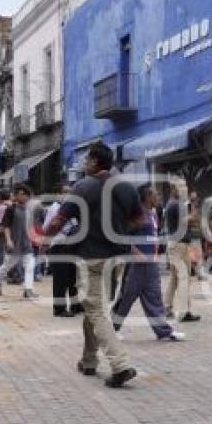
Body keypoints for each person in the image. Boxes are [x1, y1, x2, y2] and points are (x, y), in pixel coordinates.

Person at [45, 142, 141, 388]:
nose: (84, 164)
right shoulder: (126, 187)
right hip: (118, 258)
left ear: (96, 162)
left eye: (87, 159)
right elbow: (138, 219)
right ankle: (89, 360)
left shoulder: (82, 187)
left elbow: (58, 221)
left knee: (96, 311)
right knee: (94, 309)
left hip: (92, 258)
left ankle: (120, 365)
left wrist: (46, 232)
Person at [112, 184, 186, 342]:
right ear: (147, 196)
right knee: (126, 297)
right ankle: (112, 328)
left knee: (155, 298)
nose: (158, 197)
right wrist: (135, 252)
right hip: (136, 266)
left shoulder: (153, 214)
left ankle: (164, 331)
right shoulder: (136, 215)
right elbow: (122, 236)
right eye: (155, 195)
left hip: (151, 264)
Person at [0, 184, 38, 299]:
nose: (24, 197)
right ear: (16, 196)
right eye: (21, 194)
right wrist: (8, 240)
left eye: (26, 195)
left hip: (26, 243)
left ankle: (28, 290)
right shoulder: (11, 209)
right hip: (14, 242)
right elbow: (6, 226)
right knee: (7, 265)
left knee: (29, 265)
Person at [164, 180, 200, 322]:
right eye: (181, 187)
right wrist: (194, 204)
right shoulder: (175, 204)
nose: (184, 190)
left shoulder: (174, 203)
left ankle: (166, 307)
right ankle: (184, 312)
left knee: (174, 278)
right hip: (178, 245)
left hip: (177, 245)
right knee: (184, 278)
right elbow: (191, 219)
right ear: (173, 188)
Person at [43, 185, 82, 317]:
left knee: (73, 277)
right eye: (65, 192)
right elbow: (46, 227)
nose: (68, 195)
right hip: (59, 246)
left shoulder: (73, 208)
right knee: (60, 279)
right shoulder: (55, 208)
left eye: (70, 192)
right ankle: (59, 308)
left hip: (72, 246)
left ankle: (76, 305)